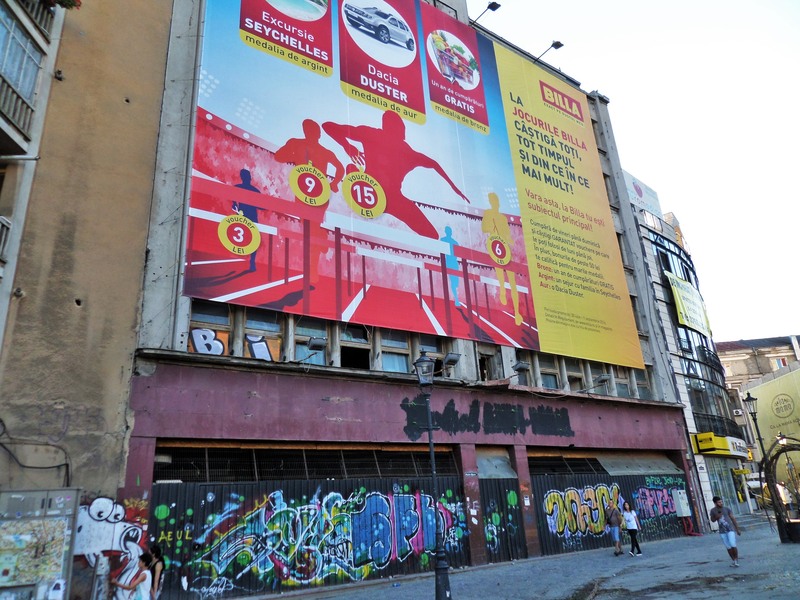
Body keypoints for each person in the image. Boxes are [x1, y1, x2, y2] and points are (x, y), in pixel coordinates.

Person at [322, 110, 470, 239]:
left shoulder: (403, 150)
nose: (403, 130)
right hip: (372, 193)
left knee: (432, 235)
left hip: (389, 198)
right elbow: (328, 126)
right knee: (351, 170)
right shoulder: (377, 137)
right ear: (397, 128)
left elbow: (434, 164)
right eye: (401, 127)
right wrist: (347, 146)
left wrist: (455, 188)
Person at [481, 192, 522, 325]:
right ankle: (502, 291)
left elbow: (507, 235)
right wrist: (492, 227)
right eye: (492, 200)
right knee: (500, 277)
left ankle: (517, 313)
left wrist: (512, 242)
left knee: (513, 282)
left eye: (496, 200)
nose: (495, 203)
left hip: (506, 250)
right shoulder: (488, 213)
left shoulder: (503, 218)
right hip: (496, 248)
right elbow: (485, 228)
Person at [231, 168, 261, 272]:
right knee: (250, 239)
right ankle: (249, 260)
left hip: (249, 217)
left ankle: (252, 261)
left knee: (254, 239)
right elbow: (233, 201)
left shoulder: (254, 191)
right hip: (244, 216)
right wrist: (235, 205)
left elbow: (262, 206)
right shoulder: (240, 188)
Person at [709, 495, 741, 567]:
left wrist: (737, 529)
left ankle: (736, 560)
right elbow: (712, 520)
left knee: (732, 544)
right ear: (715, 503)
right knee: (728, 546)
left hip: (730, 529)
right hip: (722, 531)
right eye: (719, 502)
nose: (721, 503)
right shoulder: (713, 510)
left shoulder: (726, 509)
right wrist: (717, 517)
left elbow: (733, 518)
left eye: (721, 502)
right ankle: (734, 561)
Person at [439, 225, 462, 307]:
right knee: (451, 281)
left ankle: (455, 297)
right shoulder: (443, 240)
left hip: (453, 263)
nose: (449, 233)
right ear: (446, 232)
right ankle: (455, 299)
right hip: (448, 262)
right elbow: (441, 251)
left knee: (455, 283)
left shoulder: (455, 242)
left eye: (450, 231)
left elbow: (458, 253)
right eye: (448, 231)